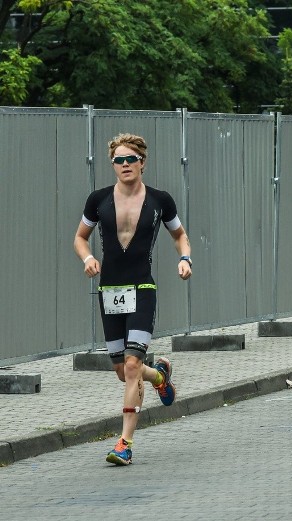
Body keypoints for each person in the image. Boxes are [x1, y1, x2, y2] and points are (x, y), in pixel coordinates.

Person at [73, 133, 191, 466]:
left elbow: (179, 235)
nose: (125, 165)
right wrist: (87, 259)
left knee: (132, 364)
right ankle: (160, 377)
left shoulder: (160, 200)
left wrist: (185, 258)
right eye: (118, 160)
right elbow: (81, 238)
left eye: (131, 159)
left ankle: (125, 442)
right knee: (124, 372)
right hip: (109, 291)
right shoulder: (97, 200)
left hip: (142, 289)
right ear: (112, 165)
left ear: (142, 161)